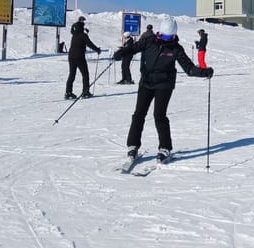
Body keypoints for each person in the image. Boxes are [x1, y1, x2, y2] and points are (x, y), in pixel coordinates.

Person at [113, 16, 213, 163]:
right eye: (163, 35)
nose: (166, 39)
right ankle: (133, 146)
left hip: (164, 85)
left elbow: (189, 69)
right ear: (159, 33)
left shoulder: (176, 48)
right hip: (146, 82)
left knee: (159, 115)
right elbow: (133, 48)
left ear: (173, 35)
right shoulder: (149, 41)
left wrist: (204, 72)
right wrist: (121, 53)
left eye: (169, 36)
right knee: (139, 114)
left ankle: (165, 147)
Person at [66, 16, 101, 99]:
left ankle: (68, 92)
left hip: (71, 56)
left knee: (72, 74)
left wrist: (76, 24)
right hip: (79, 56)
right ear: (82, 27)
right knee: (85, 74)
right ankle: (85, 92)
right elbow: (89, 44)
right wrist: (97, 50)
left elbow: (73, 29)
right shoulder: (83, 35)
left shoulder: (74, 34)